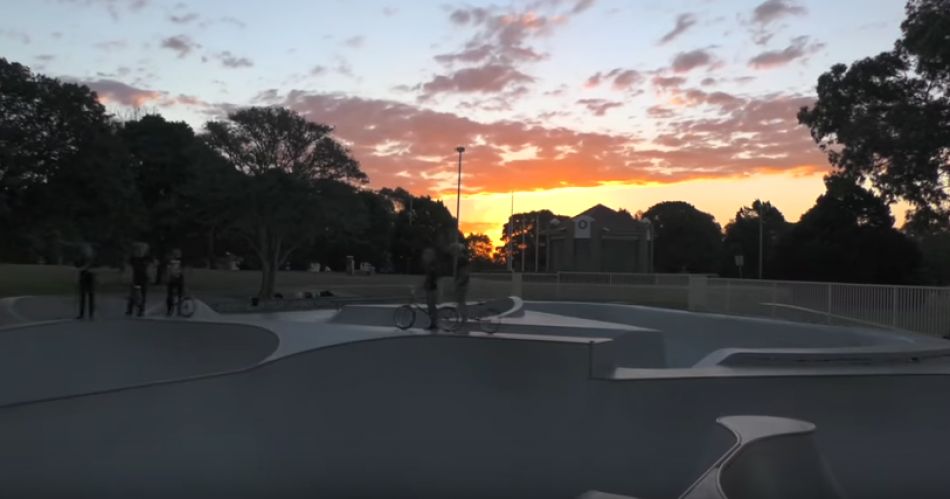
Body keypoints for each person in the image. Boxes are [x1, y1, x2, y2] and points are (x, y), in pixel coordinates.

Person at [126, 243, 150, 317]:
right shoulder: (133, 259)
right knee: (134, 294)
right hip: (135, 278)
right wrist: (129, 277)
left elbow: (150, 267)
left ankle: (141, 310)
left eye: (142, 250)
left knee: (143, 294)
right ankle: (130, 309)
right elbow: (129, 268)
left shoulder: (146, 259)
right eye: (138, 250)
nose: (140, 252)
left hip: (144, 278)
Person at [421, 247, 439, 330]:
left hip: (432, 289)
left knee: (431, 307)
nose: (424, 256)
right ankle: (433, 323)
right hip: (430, 288)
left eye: (426, 255)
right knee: (430, 307)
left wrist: (424, 285)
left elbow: (431, 277)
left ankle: (434, 324)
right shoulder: (430, 265)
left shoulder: (432, 265)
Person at [75, 250, 96, 320]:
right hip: (84, 277)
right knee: (83, 296)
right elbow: (79, 267)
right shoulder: (81, 260)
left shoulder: (92, 260)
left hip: (90, 278)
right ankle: (82, 314)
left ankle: (91, 314)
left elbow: (93, 269)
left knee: (90, 296)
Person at [165, 249, 185, 316]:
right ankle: (170, 310)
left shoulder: (181, 261)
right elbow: (168, 270)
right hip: (172, 279)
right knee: (170, 296)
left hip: (179, 279)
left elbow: (182, 271)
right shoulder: (170, 261)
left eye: (178, 254)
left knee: (179, 295)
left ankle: (179, 310)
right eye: (176, 254)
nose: (177, 255)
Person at [454, 245, 471, 324]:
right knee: (460, 301)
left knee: (461, 301)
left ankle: (463, 317)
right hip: (463, 282)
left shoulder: (461, 259)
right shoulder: (464, 259)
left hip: (462, 283)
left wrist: (458, 282)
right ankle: (462, 316)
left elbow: (464, 272)